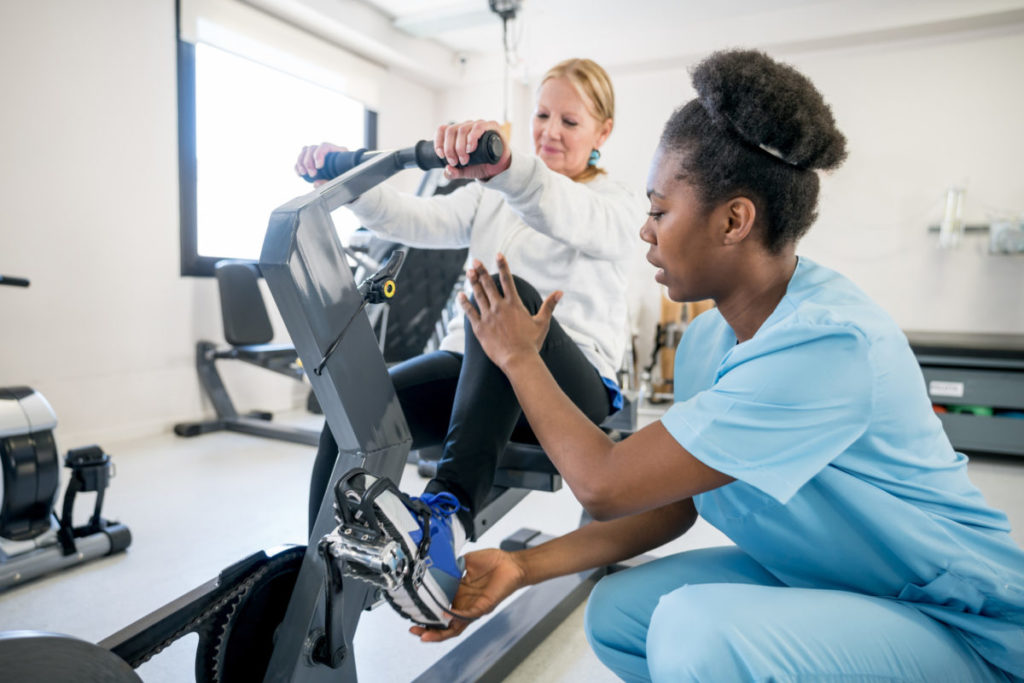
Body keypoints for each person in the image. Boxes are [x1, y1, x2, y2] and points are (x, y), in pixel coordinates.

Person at [417, 49, 1024, 681]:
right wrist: (524, 567)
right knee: (622, 614)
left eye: (658, 211)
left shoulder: (830, 344)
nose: (646, 233)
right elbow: (675, 502)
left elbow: (603, 483)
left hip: (956, 619)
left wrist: (518, 356)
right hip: (830, 578)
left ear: (735, 220)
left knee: (695, 632)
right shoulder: (709, 340)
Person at [293, 58, 646, 626]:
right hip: (476, 365)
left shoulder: (617, 202)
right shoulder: (495, 194)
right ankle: (318, 580)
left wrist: (508, 167)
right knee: (351, 418)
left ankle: (445, 517)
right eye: (541, 115)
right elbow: (418, 220)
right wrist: (347, 186)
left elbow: (562, 210)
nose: (550, 131)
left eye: (570, 122)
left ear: (603, 133)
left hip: (570, 390)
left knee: (509, 296)